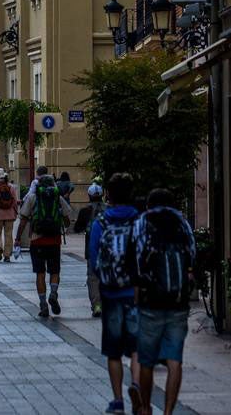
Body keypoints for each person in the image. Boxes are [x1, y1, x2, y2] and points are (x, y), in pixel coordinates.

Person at [132, 188, 196, 415]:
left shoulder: (143, 222)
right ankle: (168, 412)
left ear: (149, 204)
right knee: (174, 360)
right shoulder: (182, 223)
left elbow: (136, 259)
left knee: (147, 360)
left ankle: (147, 406)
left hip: (151, 301)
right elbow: (192, 255)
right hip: (178, 302)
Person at [89, 172, 141, 415]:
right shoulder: (140, 221)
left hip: (110, 293)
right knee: (136, 348)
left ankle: (118, 400)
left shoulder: (100, 223)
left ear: (108, 195)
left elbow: (94, 260)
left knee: (113, 352)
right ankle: (138, 385)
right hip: (135, 293)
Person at [15, 173, 70, 317]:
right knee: (54, 271)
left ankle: (43, 304)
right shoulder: (58, 197)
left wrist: (17, 238)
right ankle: (53, 293)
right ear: (53, 184)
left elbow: (23, 219)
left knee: (40, 273)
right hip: (54, 240)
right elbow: (67, 219)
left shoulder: (33, 197)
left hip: (36, 240)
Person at [73, 182, 105, 317]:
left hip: (92, 249)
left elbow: (77, 229)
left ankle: (97, 305)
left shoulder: (85, 210)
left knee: (93, 278)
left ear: (89, 195)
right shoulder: (109, 209)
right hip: (110, 250)